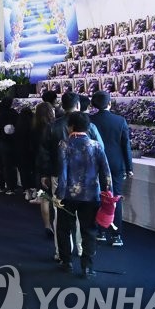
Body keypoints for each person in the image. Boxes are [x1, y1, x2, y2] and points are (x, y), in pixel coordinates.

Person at [54, 112, 112, 279]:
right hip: (91, 195)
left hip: (69, 195)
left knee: (64, 229)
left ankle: (66, 262)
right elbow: (106, 172)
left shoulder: (64, 144)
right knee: (89, 230)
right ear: (88, 127)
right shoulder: (96, 145)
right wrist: (109, 194)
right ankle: (87, 267)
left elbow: (62, 173)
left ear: (70, 126)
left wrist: (59, 195)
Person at [90, 91, 134, 247]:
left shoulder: (90, 120)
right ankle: (117, 235)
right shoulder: (120, 120)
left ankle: (100, 232)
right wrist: (129, 167)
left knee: (98, 196)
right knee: (115, 197)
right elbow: (125, 146)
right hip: (116, 163)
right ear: (109, 103)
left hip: (96, 162)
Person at [32, 102, 57, 237]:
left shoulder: (34, 127)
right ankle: (57, 224)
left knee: (44, 197)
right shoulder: (54, 127)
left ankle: (47, 225)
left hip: (39, 164)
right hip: (54, 164)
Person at [0, 99, 19, 194]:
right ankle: (13, 187)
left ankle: (2, 185)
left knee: (2, 166)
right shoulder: (15, 114)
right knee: (12, 166)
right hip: (14, 143)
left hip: (1, 143)